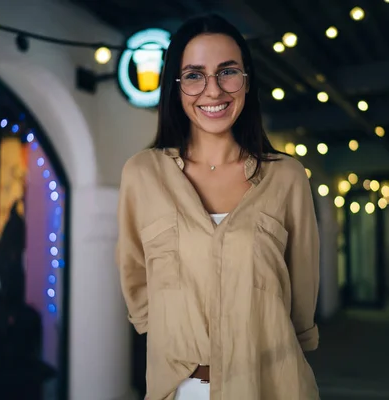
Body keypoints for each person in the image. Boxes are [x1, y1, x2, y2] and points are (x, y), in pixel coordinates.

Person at [117, 14, 320, 400]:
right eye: (194, 75)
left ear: (246, 81)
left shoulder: (288, 177)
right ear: (176, 87)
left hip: (272, 387)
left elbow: (301, 302)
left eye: (227, 72)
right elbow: (136, 283)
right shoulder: (142, 175)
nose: (213, 90)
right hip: (180, 390)